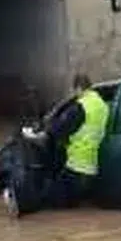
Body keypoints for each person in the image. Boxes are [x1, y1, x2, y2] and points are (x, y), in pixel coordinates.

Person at [44, 74, 110, 207]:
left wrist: (45, 129)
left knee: (49, 200)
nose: (76, 94)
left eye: (75, 90)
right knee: (75, 205)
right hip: (92, 165)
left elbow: (59, 128)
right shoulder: (103, 105)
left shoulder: (81, 106)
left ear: (79, 88)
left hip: (76, 166)